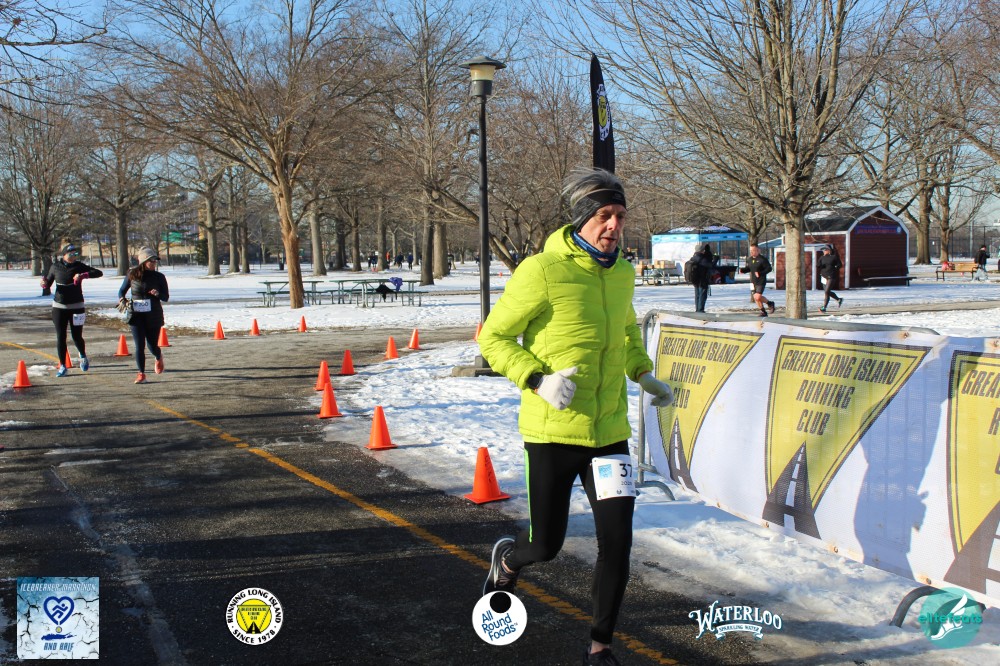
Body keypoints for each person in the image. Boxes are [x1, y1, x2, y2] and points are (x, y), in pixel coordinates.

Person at [478, 167, 674, 666]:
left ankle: (599, 647)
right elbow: (492, 338)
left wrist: (643, 373)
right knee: (545, 546)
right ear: (582, 217)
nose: (613, 225)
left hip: (609, 434)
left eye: (620, 216)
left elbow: (626, 332)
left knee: (618, 543)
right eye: (604, 215)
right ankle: (509, 559)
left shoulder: (623, 273)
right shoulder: (542, 270)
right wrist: (537, 379)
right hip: (553, 433)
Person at [40, 243, 104, 376]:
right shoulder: (55, 266)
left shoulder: (79, 266)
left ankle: (83, 356)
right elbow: (48, 283)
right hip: (59, 306)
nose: (74, 256)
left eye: (76, 254)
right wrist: (44, 284)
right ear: (64, 255)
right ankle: (63, 365)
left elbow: (99, 273)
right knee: (61, 336)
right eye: (71, 254)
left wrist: (83, 275)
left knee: (77, 336)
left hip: (77, 306)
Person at [118, 247, 169, 384]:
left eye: (155, 261)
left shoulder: (159, 277)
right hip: (136, 315)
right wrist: (122, 299)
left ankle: (158, 356)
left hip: (153, 315)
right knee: (139, 346)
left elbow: (166, 297)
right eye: (151, 261)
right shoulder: (132, 274)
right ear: (143, 262)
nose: (154, 263)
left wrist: (157, 294)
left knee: (152, 345)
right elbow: (121, 290)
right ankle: (141, 374)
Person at [741, 244, 776, 316]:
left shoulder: (762, 259)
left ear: (758, 251)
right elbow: (749, 268)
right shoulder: (749, 259)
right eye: (750, 250)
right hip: (753, 281)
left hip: (761, 281)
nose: (751, 252)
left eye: (753, 250)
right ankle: (763, 311)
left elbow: (769, 268)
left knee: (757, 296)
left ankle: (770, 303)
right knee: (755, 298)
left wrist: (760, 273)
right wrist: (743, 270)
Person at [688, 244, 715, 313]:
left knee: (697, 295)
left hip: (695, 280)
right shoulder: (702, 259)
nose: (704, 251)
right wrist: (715, 259)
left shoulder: (693, 258)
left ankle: (697, 309)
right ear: (701, 250)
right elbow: (711, 265)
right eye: (703, 250)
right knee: (702, 295)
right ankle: (700, 310)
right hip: (702, 279)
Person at [817, 245, 844, 312]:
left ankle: (824, 308)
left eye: (825, 250)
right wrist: (820, 265)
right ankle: (839, 299)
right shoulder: (822, 257)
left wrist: (835, 268)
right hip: (823, 276)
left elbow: (839, 265)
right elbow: (818, 265)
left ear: (829, 250)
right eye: (823, 250)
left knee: (827, 291)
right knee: (827, 292)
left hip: (831, 276)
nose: (824, 251)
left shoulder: (834, 257)